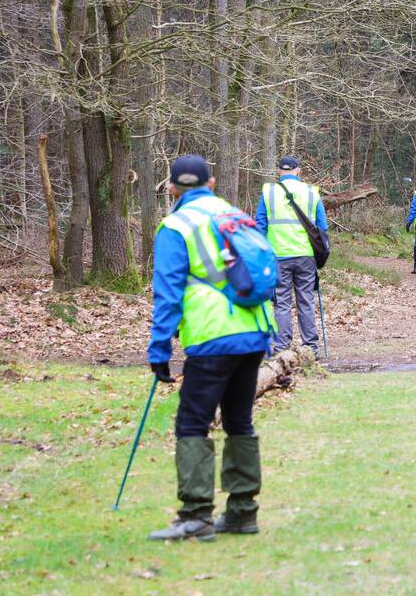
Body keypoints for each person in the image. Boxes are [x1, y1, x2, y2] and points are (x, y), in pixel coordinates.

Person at [148, 155, 275, 542]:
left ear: (171, 187)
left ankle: (196, 514)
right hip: (253, 331)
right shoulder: (230, 213)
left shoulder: (175, 225)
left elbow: (167, 293)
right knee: (239, 420)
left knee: (192, 422)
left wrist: (159, 349)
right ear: (212, 182)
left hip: (211, 336)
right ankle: (242, 512)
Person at [255, 156, 328, 356]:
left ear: (279, 171)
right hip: (305, 256)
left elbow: (259, 226)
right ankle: (311, 347)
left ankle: (281, 348)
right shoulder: (311, 192)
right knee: (306, 300)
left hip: (278, 256)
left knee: (282, 304)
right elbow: (323, 227)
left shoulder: (268, 192)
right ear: (298, 170)